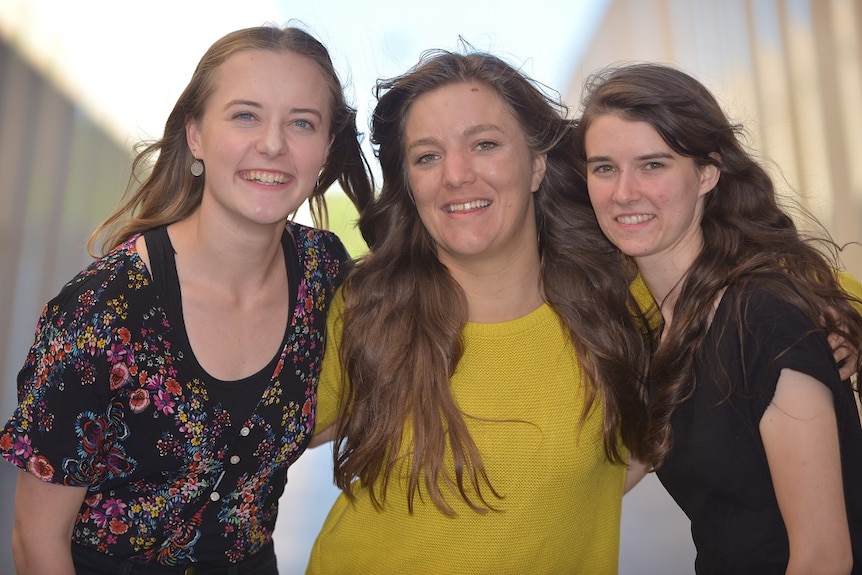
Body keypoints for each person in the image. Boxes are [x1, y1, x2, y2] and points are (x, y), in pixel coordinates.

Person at [1, 25, 374, 574]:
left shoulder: (323, 274)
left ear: (325, 149)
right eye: (245, 115)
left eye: (301, 122)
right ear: (195, 136)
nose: (273, 143)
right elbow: (36, 544)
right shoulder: (102, 311)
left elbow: (334, 409)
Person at [305, 49, 652, 574]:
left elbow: (780, 294)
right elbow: (237, 445)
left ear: (536, 164)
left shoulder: (622, 303)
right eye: (427, 157)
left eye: (484, 145)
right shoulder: (364, 312)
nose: (456, 175)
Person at [574, 62, 862, 574]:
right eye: (604, 168)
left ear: (707, 173)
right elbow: (604, 480)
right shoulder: (658, 330)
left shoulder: (762, 318)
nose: (624, 192)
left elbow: (824, 558)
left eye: (653, 165)